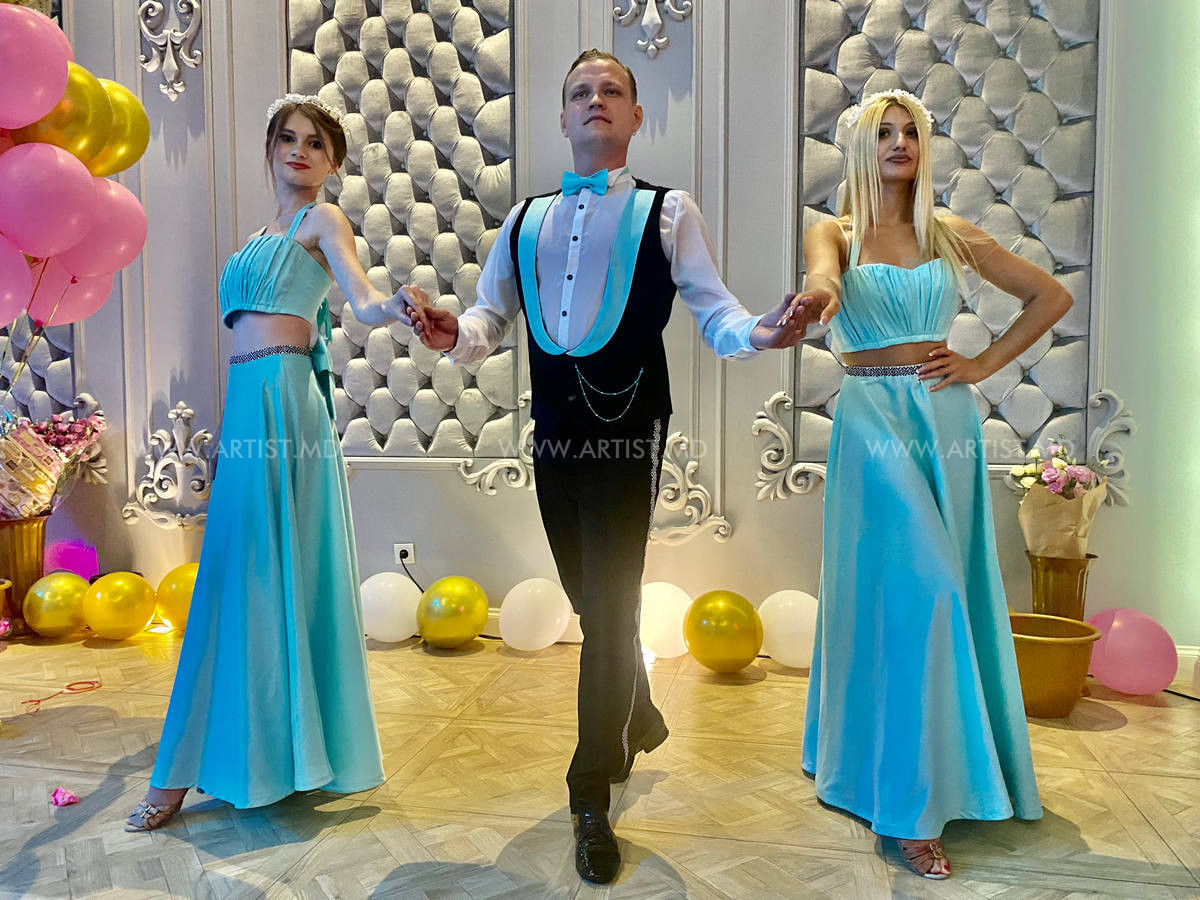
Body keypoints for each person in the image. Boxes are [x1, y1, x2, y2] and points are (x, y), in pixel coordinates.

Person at [413, 50, 817, 884]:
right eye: (580, 92)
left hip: (631, 427)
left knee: (608, 601)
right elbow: (489, 317)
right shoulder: (524, 219)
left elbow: (716, 311)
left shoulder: (668, 213)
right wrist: (455, 335)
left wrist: (766, 331)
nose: (595, 100)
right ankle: (638, 710)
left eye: (612, 91)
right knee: (587, 596)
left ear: (634, 117)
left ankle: (589, 786)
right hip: (555, 429)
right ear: (563, 118)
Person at [124, 94, 429, 830]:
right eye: (288, 138)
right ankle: (250, 755)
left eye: (316, 143)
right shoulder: (254, 239)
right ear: (269, 149)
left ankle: (200, 770)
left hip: (287, 403)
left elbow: (361, 299)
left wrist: (397, 307)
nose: (300, 150)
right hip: (245, 403)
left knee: (264, 572)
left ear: (332, 162)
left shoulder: (322, 221)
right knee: (238, 576)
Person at [791, 89, 1071, 878]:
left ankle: (940, 776)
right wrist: (817, 297)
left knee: (942, 592)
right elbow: (825, 279)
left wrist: (982, 363)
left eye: (910, 131)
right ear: (860, 146)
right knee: (926, 591)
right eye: (884, 131)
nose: (900, 142)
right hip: (871, 420)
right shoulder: (834, 232)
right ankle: (909, 809)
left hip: (943, 417)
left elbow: (1051, 296)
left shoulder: (949, 233)